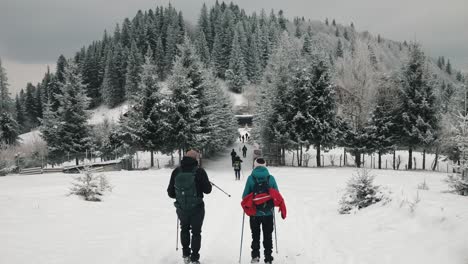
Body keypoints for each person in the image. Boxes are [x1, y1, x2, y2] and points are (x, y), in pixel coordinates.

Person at [167, 150, 212, 264]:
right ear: (195, 159)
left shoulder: (177, 171)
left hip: (182, 208)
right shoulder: (199, 171)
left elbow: (171, 193)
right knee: (196, 233)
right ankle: (195, 258)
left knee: (184, 229)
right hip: (197, 207)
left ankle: (186, 255)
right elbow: (207, 190)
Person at [241, 158, 286, 264]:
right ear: (265, 166)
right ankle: (268, 257)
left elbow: (244, 196)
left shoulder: (251, 179)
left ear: (255, 165)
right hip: (268, 213)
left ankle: (255, 257)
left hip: (254, 214)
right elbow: (277, 195)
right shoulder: (271, 179)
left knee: (255, 235)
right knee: (268, 235)